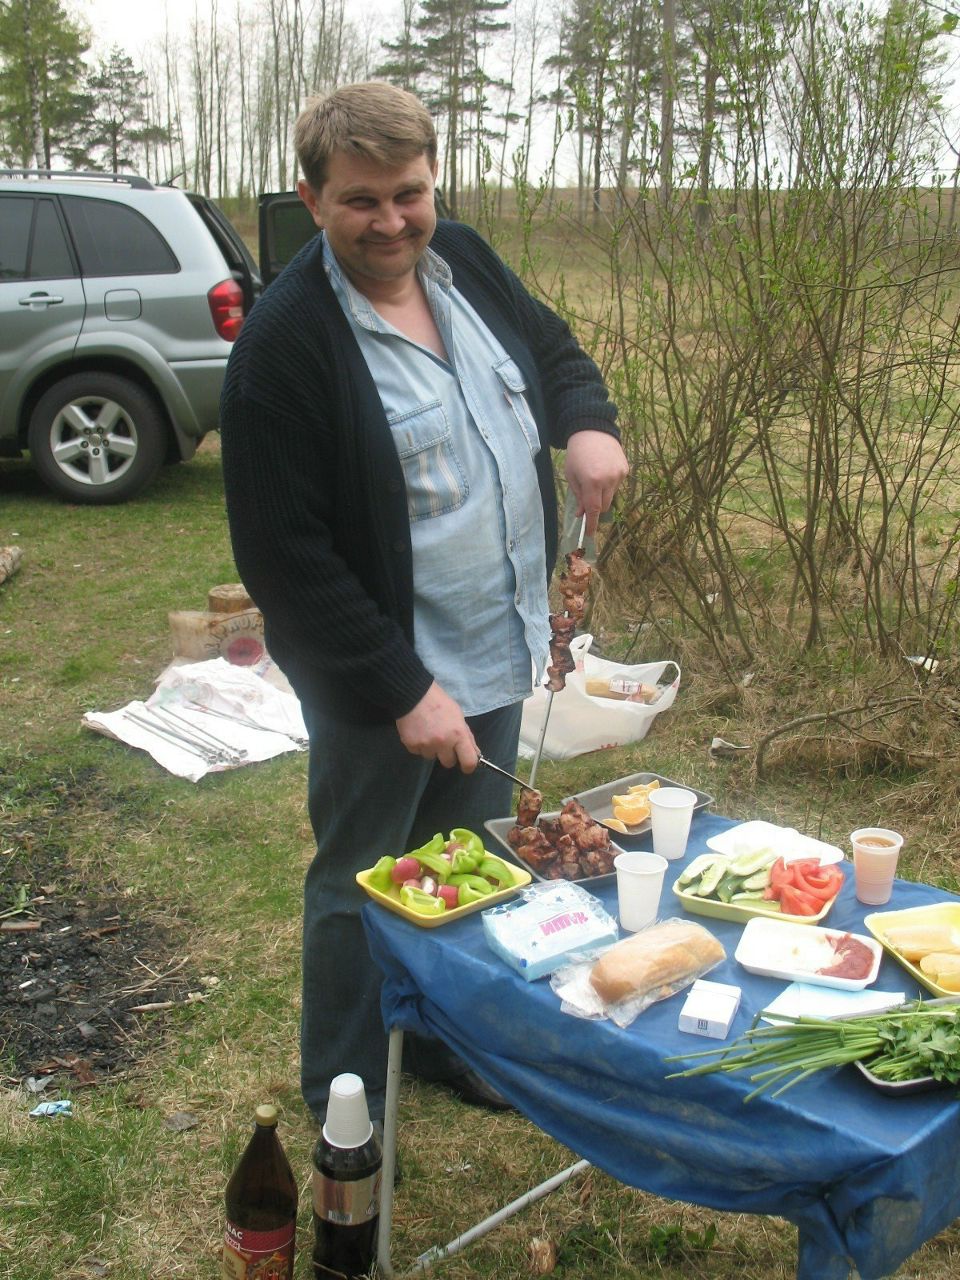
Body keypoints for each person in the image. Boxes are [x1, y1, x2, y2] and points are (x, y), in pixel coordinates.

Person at [219, 81, 629, 1125]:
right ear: (312, 199)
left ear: (432, 180)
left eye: (409, 193)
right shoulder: (285, 347)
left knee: (470, 863)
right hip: (383, 678)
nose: (392, 221)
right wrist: (402, 688)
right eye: (361, 200)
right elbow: (285, 559)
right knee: (364, 880)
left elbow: (556, 354)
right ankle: (346, 1086)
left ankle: (445, 1043)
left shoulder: (467, 264)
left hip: (498, 643)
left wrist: (586, 423)